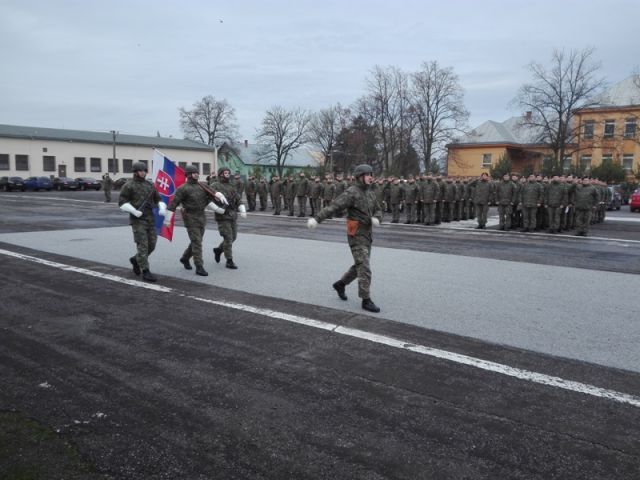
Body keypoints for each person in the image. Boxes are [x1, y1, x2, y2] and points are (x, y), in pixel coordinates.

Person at [307, 164, 383, 313]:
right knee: (364, 267)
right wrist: (317, 219)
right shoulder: (352, 192)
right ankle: (366, 300)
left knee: (359, 265)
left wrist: (377, 218)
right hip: (356, 234)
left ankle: (340, 284)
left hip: (367, 234)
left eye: (371, 174)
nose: (370, 177)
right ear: (360, 177)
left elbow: (379, 209)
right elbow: (334, 207)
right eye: (367, 175)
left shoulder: (370, 193)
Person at [165, 165, 227, 276]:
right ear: (188, 174)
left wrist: (218, 198)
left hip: (201, 217)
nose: (197, 174)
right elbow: (173, 203)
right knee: (197, 242)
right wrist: (168, 219)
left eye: (197, 173)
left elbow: (210, 196)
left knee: (196, 241)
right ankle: (199, 266)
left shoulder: (202, 186)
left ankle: (185, 258)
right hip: (190, 217)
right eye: (194, 173)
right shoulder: (183, 188)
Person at [118, 162, 167, 282]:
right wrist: (134, 211)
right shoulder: (128, 185)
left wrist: (162, 208)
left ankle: (136, 259)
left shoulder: (150, 185)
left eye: (144, 170)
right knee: (143, 245)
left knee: (152, 244)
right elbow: (122, 203)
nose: (143, 173)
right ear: (135, 172)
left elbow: (159, 199)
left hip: (150, 219)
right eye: (140, 171)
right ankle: (145, 271)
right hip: (137, 221)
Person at [209, 167, 246, 269]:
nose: (228, 174)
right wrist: (217, 209)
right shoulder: (215, 185)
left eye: (228, 173)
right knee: (228, 238)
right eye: (225, 173)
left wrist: (242, 208)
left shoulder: (232, 185)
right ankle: (229, 260)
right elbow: (208, 199)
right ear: (220, 174)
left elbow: (238, 199)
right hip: (222, 216)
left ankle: (218, 250)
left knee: (233, 237)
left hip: (232, 215)